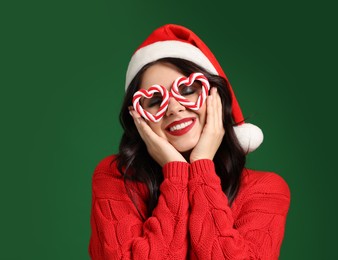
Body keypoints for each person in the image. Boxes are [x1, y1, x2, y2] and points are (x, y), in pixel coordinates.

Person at [89, 24, 291, 260]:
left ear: (214, 97)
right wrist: (176, 174)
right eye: (154, 101)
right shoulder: (115, 178)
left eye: (186, 90)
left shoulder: (265, 190)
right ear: (139, 117)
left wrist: (201, 166)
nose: (174, 108)